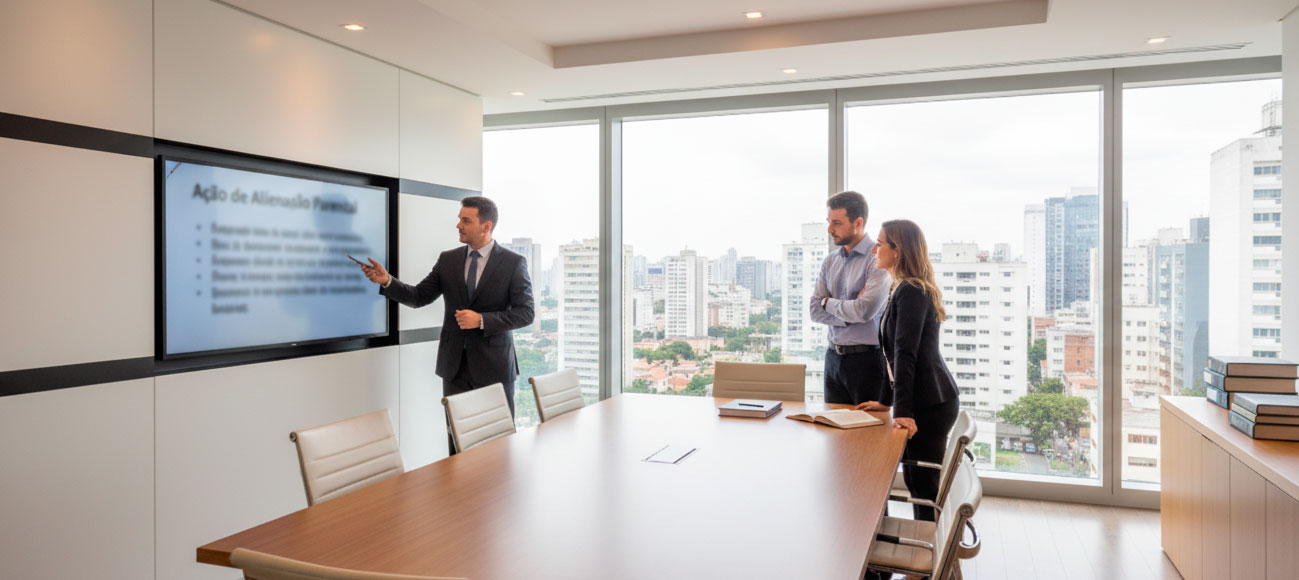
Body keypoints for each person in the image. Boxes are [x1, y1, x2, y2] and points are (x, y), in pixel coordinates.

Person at [358, 196, 534, 455]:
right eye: (459, 219)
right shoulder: (448, 260)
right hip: (455, 369)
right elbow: (419, 296)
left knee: (497, 448)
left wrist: (482, 320)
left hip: (494, 370)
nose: (458, 226)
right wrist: (386, 281)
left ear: (486, 226)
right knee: (457, 447)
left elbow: (526, 313)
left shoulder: (512, 263)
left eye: (466, 220)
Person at [858, 219, 960, 522]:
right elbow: (891, 356)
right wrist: (886, 401)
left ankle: (928, 564)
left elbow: (906, 353)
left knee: (922, 486)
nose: (874, 248)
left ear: (897, 250)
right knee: (916, 480)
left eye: (880, 243)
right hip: (923, 399)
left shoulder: (913, 291)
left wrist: (902, 410)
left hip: (931, 403)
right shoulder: (902, 288)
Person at [809, 191, 893, 408]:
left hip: (867, 362)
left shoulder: (878, 259)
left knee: (868, 433)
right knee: (833, 432)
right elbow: (814, 310)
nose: (830, 230)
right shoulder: (830, 261)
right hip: (833, 358)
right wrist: (849, 312)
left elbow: (865, 311)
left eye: (836, 223)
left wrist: (829, 303)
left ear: (858, 223)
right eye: (829, 222)